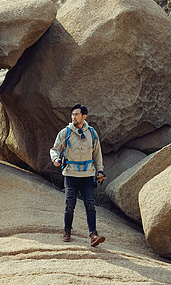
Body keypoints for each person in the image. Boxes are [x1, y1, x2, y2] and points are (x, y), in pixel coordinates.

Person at [50, 104, 106, 246]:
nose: (74, 117)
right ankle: (67, 230)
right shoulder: (65, 132)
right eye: (72, 114)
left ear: (84, 116)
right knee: (70, 205)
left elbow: (97, 154)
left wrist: (100, 170)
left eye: (76, 114)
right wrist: (56, 159)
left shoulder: (92, 133)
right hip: (70, 175)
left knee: (90, 205)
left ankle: (93, 235)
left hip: (87, 175)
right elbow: (54, 149)